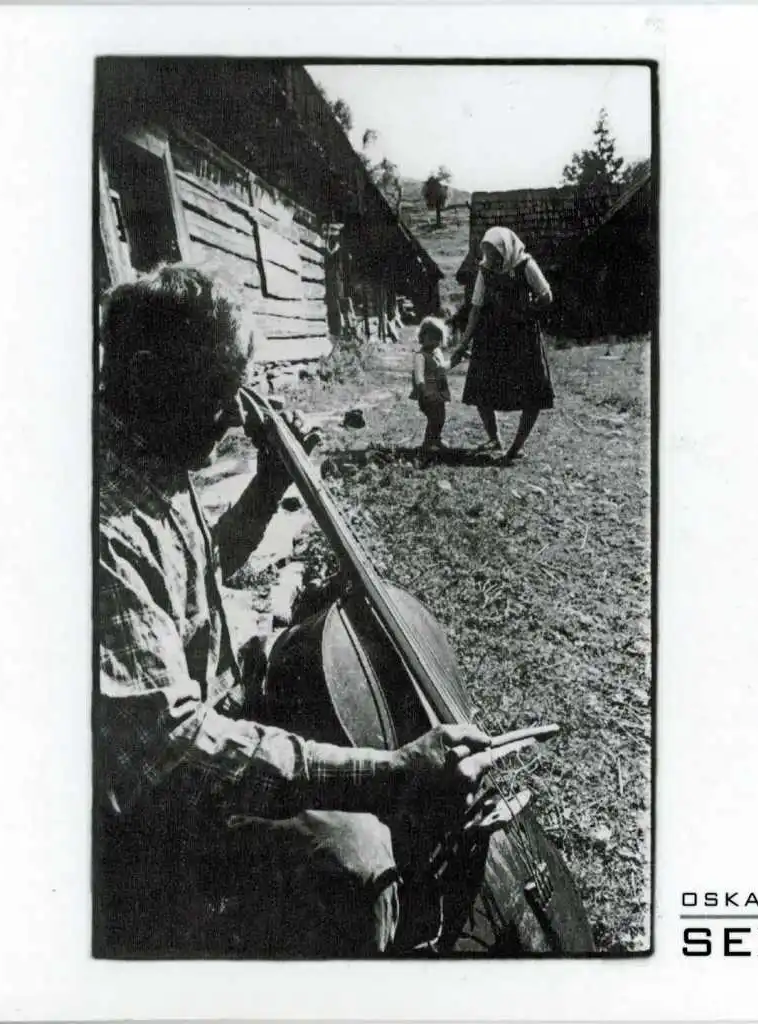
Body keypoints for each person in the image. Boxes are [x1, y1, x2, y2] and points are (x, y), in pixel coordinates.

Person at [96, 263, 497, 958]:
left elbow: (192, 569)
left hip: (212, 725)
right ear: (145, 372)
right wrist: (388, 773)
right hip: (155, 817)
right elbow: (176, 754)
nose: (234, 413)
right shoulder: (101, 526)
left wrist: (266, 487)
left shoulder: (154, 451)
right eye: (217, 390)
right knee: (355, 855)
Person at [451, 227, 555, 463]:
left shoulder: (525, 265)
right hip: (491, 337)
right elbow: (476, 309)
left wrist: (529, 309)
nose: (492, 259)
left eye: (496, 254)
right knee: (481, 389)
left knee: (532, 394)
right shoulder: (485, 270)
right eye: (488, 254)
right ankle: (494, 438)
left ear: (506, 249)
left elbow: (547, 295)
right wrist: (463, 343)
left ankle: (515, 448)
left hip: (522, 338)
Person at [411, 315, 452, 455]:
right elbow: (418, 376)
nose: (435, 341)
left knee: (441, 417)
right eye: (431, 337)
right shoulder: (420, 356)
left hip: (438, 392)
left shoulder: (437, 353)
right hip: (427, 393)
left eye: (438, 339)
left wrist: (456, 360)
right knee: (434, 417)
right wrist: (423, 389)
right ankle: (428, 443)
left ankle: (436, 439)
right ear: (423, 337)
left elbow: (442, 368)